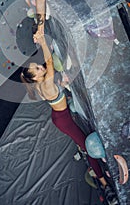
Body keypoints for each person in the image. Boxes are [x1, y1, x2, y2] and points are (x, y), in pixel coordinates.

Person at [20, 32, 118, 205]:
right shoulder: (46, 82)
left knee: (81, 139)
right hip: (63, 120)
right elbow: (49, 62)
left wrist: (62, 85)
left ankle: (86, 155)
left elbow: (54, 91)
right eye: (37, 69)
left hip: (60, 116)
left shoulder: (39, 85)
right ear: (35, 77)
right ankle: (105, 185)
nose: (40, 67)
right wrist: (43, 41)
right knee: (89, 149)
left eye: (37, 66)